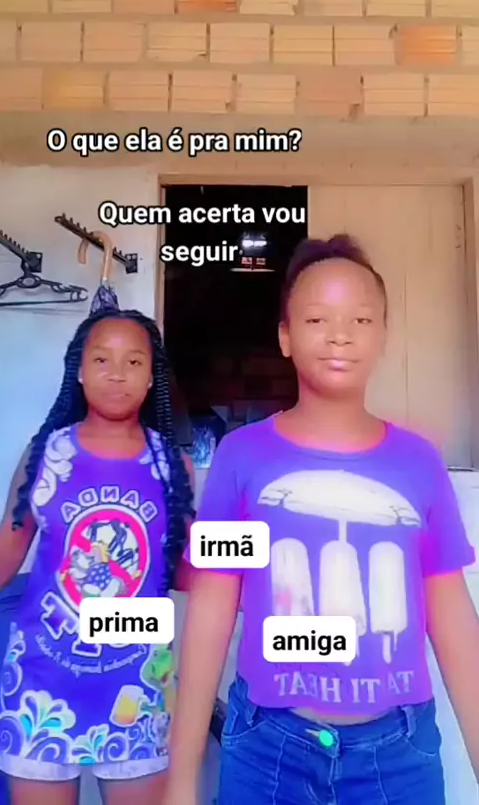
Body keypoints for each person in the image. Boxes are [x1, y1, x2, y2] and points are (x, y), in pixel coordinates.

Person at [164, 235, 479, 805]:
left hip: (398, 756)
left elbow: (453, 618)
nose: (340, 335)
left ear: (383, 335)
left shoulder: (419, 463)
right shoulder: (242, 457)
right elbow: (212, 604)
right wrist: (182, 778)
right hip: (267, 749)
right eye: (316, 319)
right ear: (285, 336)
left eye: (361, 319)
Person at [0, 308, 194, 805]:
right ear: (80, 371)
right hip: (40, 686)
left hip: (137, 689)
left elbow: (189, 571)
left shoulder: (172, 465)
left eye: (134, 362)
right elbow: (5, 556)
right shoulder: (46, 454)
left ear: (151, 377)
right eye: (102, 359)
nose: (117, 373)